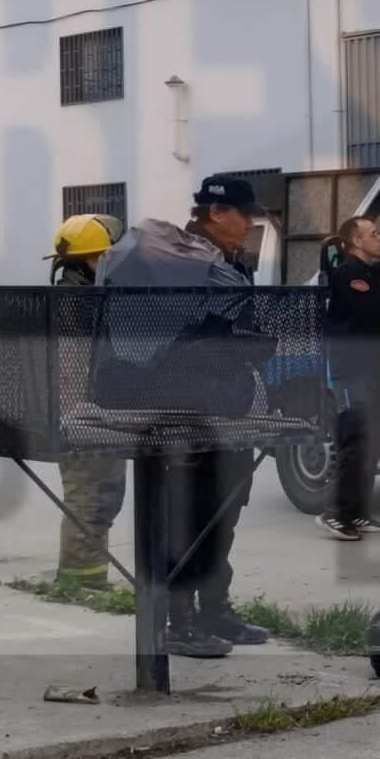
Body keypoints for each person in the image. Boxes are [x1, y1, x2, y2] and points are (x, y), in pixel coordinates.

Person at [93, 176, 276, 659]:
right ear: (217, 214)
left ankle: (213, 610)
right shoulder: (195, 264)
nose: (250, 225)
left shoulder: (206, 261)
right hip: (191, 412)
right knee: (195, 518)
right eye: (244, 215)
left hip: (209, 408)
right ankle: (182, 622)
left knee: (219, 516)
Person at [320, 215, 380, 540]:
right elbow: (372, 306)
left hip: (369, 372)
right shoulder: (347, 274)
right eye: (373, 234)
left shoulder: (368, 273)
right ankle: (335, 513)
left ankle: (358, 513)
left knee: (372, 446)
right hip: (351, 374)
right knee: (354, 443)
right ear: (357, 242)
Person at [45, 213, 125, 589]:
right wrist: (77, 418)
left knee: (101, 495)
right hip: (82, 417)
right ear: (94, 259)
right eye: (106, 256)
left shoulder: (83, 298)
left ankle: (88, 576)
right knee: (91, 497)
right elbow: (71, 367)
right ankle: (80, 581)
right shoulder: (77, 304)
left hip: (91, 414)